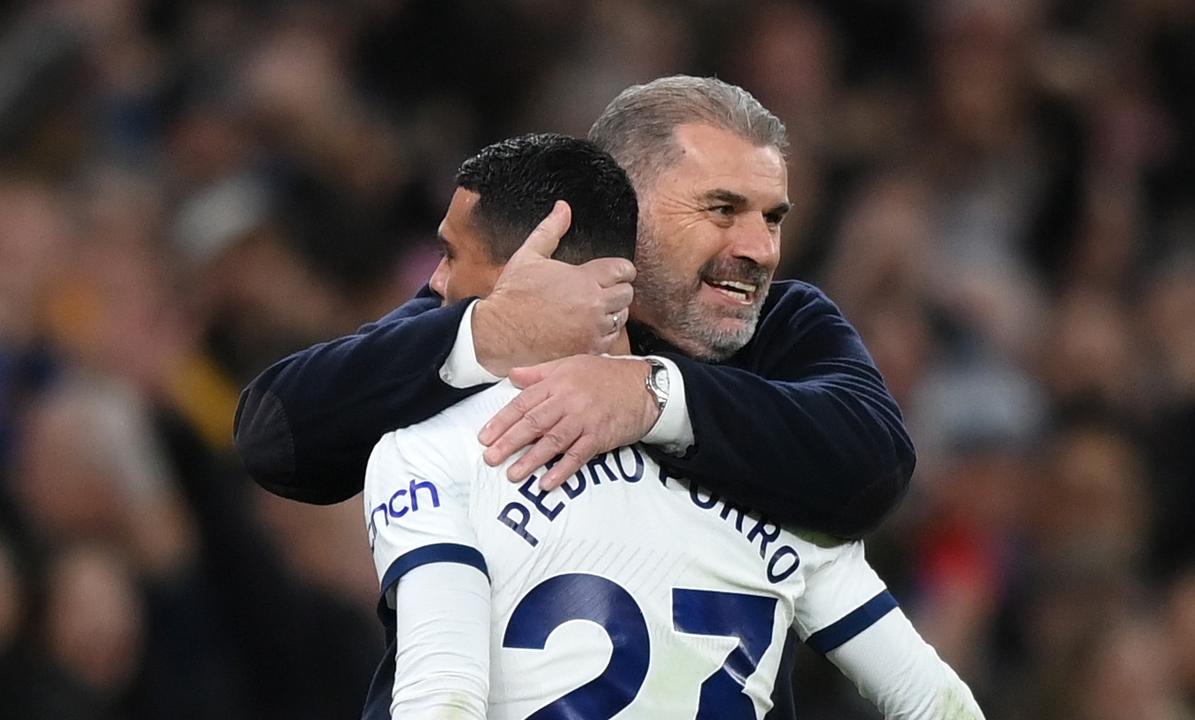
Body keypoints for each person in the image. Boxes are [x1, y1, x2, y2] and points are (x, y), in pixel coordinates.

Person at [364, 131, 982, 720]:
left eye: (449, 255)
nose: (435, 282)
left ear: (536, 268)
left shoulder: (432, 451)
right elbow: (937, 703)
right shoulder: (773, 478)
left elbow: (441, 697)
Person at [234, 75, 914, 539]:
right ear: (623, 204)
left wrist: (651, 397)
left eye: (773, 217)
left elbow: (874, 466)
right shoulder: (496, 300)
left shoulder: (786, 325)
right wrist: (491, 336)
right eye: (722, 209)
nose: (760, 248)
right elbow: (276, 439)